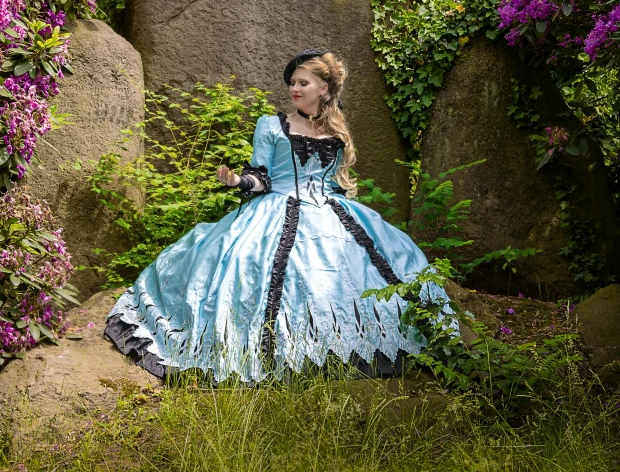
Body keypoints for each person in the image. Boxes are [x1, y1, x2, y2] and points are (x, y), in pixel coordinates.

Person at [104, 48, 458, 384]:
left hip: (330, 212)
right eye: (292, 83)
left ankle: (344, 343)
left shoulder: (335, 130)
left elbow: (332, 181)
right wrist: (239, 180)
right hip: (276, 209)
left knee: (368, 264)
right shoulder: (271, 125)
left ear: (324, 88)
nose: (294, 88)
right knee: (254, 270)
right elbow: (263, 176)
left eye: (303, 82)